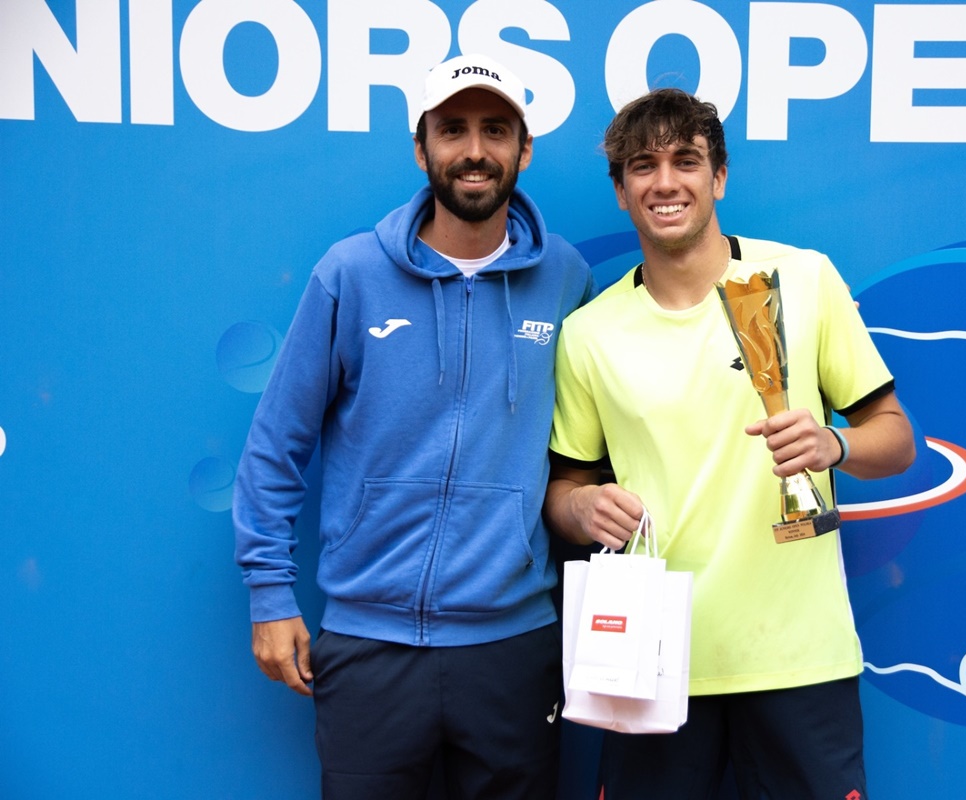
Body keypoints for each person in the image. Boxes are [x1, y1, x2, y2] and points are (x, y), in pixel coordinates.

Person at [233, 53, 594, 799]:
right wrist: (269, 593)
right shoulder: (351, 273)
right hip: (370, 644)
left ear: (524, 149)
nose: (474, 150)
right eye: (452, 129)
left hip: (513, 647)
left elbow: (584, 449)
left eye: (495, 130)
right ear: (421, 148)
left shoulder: (565, 280)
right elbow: (277, 445)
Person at [544, 88, 916, 800]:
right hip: (650, 662)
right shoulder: (590, 333)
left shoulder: (802, 279)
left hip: (800, 661)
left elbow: (896, 440)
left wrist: (833, 445)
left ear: (718, 177)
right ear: (621, 191)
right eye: (643, 166)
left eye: (686, 161)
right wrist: (581, 509)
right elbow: (564, 490)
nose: (665, 182)